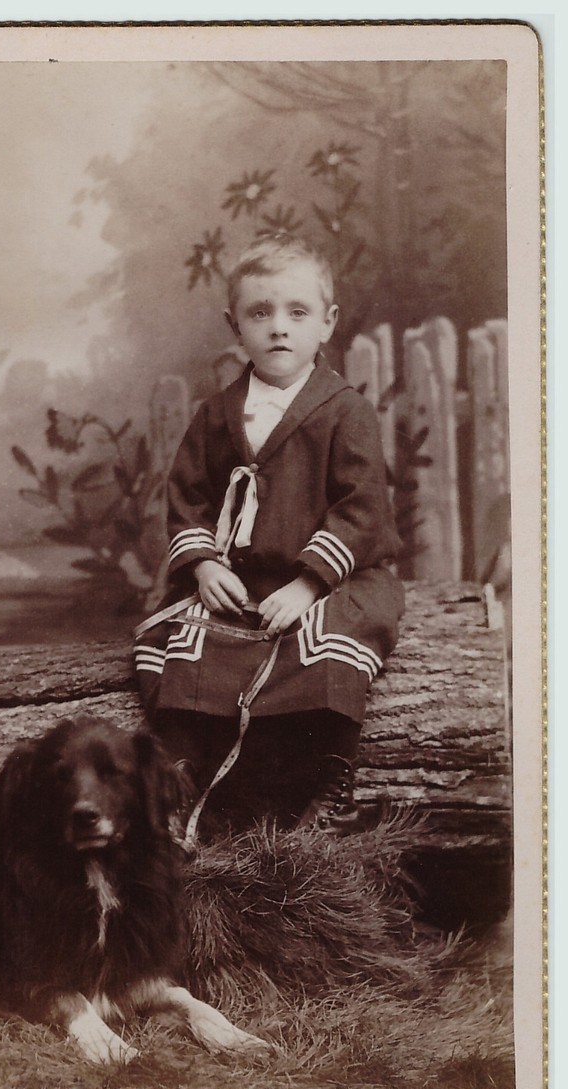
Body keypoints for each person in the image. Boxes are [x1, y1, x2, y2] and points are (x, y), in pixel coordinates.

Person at [134, 235, 405, 837]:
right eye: (260, 313)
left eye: (297, 313)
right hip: (242, 577)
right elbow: (189, 497)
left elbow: (362, 508)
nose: (278, 328)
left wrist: (310, 584)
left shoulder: (343, 410)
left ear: (326, 323)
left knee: (327, 645)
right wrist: (204, 564)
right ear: (236, 326)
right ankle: (180, 781)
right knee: (183, 644)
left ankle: (330, 782)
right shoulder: (216, 413)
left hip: (336, 577)